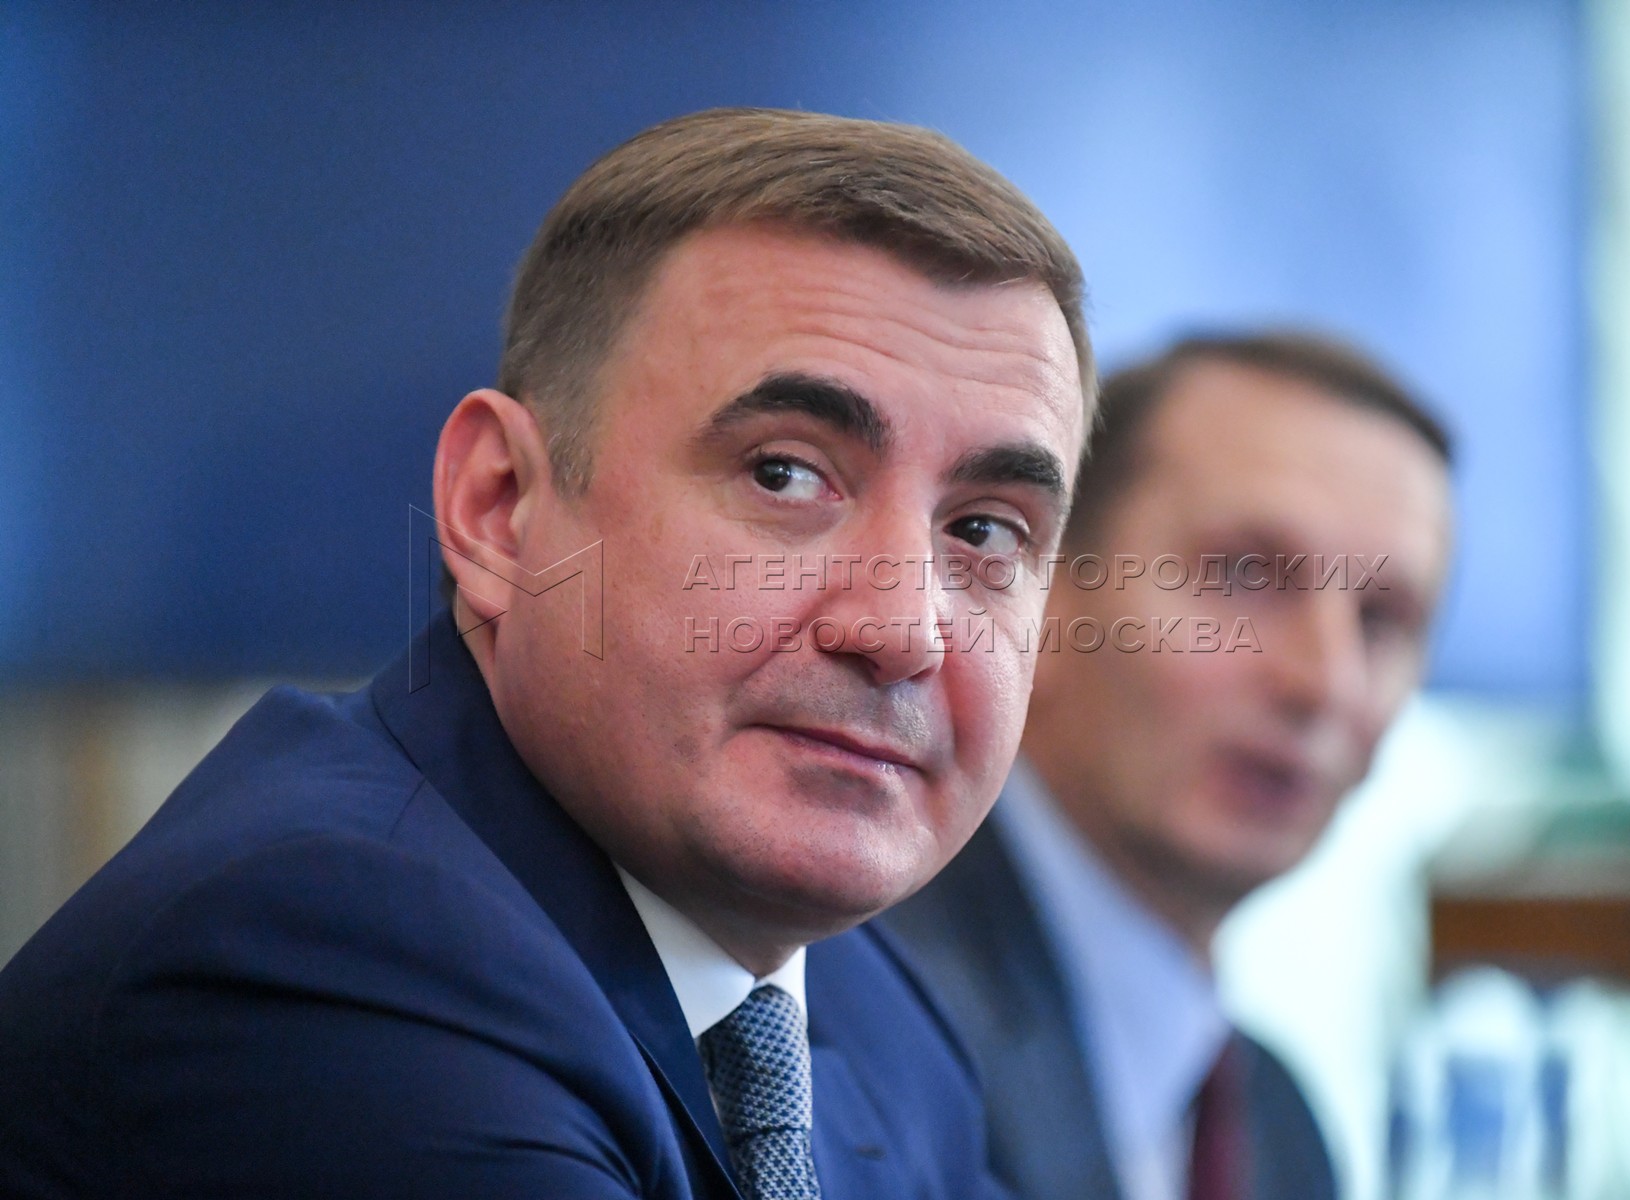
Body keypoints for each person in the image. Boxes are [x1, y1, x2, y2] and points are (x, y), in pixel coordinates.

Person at [0, 108, 1093, 1199]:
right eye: (783, 474)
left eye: (986, 530)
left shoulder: (877, 1022)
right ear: (500, 507)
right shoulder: (329, 947)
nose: (901, 630)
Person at [883, 332, 1456, 1200]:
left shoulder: (1281, 1128)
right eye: (1246, 575)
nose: (1325, 684)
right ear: (1045, 589)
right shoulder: (864, 1018)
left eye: (1382, 621)